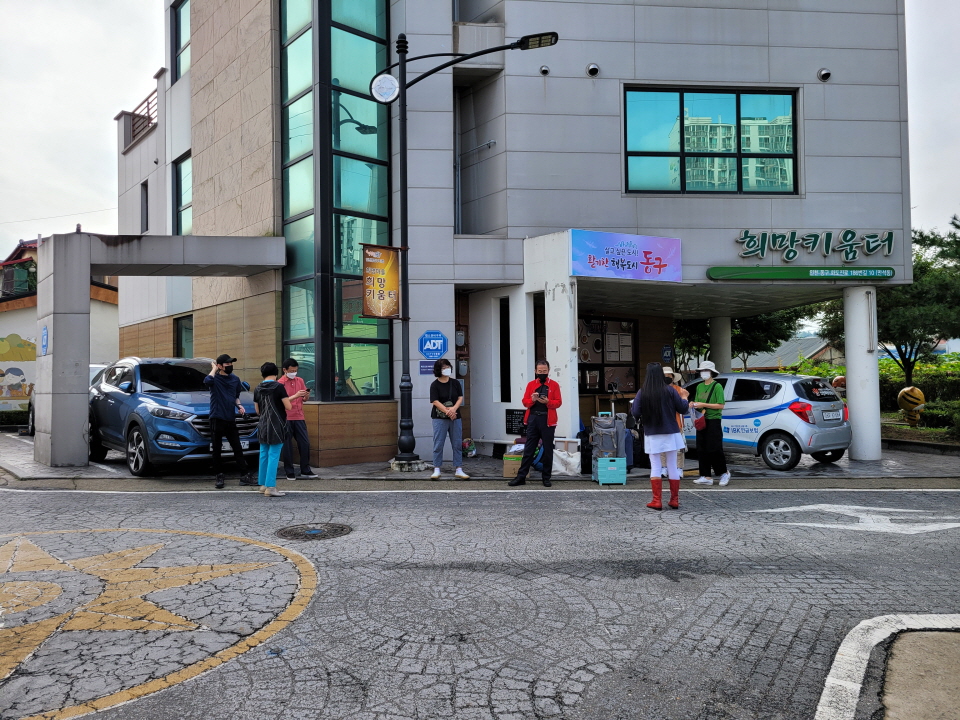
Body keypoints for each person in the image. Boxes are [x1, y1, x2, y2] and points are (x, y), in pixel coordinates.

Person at [631, 362, 689, 510]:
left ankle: (657, 500)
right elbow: (683, 409)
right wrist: (684, 397)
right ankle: (674, 500)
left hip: (652, 432)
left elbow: (635, 412)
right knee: (672, 465)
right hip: (671, 431)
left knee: (656, 466)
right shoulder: (670, 390)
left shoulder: (643, 392)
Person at [509, 360, 563, 488]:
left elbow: (558, 402)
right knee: (529, 449)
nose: (542, 373)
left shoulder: (554, 385)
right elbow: (525, 402)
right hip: (533, 418)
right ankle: (521, 477)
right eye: (540, 371)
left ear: (548, 371)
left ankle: (546, 477)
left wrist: (548, 402)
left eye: (544, 371)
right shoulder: (531, 384)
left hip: (547, 420)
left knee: (548, 449)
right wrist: (532, 400)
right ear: (535, 371)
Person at [204, 353, 254, 489]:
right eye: (227, 364)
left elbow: (236, 397)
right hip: (216, 417)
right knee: (217, 449)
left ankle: (244, 475)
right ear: (220, 366)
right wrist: (214, 369)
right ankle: (219, 475)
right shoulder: (214, 379)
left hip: (230, 418)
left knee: (237, 447)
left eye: (231, 364)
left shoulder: (235, 379)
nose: (230, 366)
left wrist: (240, 406)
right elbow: (207, 381)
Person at [253, 362, 293, 497]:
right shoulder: (279, 387)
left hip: (263, 424)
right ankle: (270, 487)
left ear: (262, 374)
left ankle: (263, 485)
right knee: (274, 455)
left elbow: (257, 410)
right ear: (276, 374)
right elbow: (288, 407)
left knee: (264, 454)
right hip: (277, 425)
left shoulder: (257, 388)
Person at [690, 360, 730, 486]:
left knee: (714, 448)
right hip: (702, 419)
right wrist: (693, 404)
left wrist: (704, 404)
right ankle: (706, 476)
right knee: (701, 448)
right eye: (702, 370)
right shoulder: (699, 386)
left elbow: (721, 405)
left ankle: (724, 473)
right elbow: (697, 403)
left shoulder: (717, 386)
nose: (704, 373)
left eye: (706, 370)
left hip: (714, 420)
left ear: (712, 372)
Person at [429, 358, 469, 479]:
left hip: (455, 417)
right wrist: (448, 411)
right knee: (438, 443)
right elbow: (435, 401)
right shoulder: (434, 385)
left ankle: (458, 468)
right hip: (439, 418)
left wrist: (453, 409)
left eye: (448, 367)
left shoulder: (455, 383)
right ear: (438, 370)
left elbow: (460, 398)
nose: (447, 369)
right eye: (444, 368)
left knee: (457, 443)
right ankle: (437, 468)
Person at [278, 358, 318, 480]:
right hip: (286, 417)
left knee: (304, 443)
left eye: (295, 370)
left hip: (299, 416)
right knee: (287, 445)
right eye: (291, 371)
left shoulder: (300, 380)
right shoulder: (280, 383)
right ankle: (289, 471)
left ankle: (305, 469)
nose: (294, 373)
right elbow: (280, 402)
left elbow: (304, 399)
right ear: (284, 370)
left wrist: (306, 395)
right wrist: (295, 396)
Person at [658, 367, 686, 478]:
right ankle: (664, 467)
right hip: (662, 423)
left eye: (669, 376)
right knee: (662, 447)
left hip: (676, 422)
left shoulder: (679, 390)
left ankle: (679, 468)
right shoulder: (657, 390)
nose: (667, 378)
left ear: (673, 378)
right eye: (665, 376)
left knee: (679, 448)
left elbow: (683, 405)